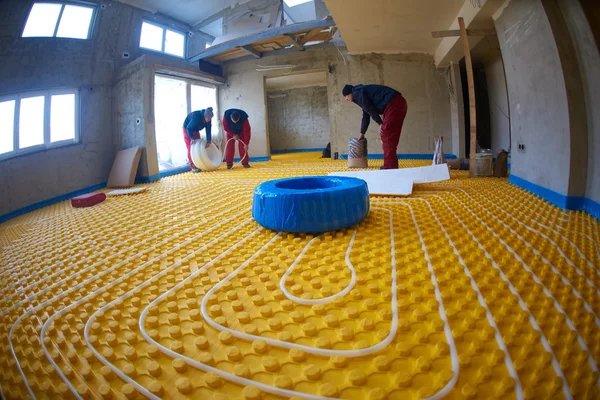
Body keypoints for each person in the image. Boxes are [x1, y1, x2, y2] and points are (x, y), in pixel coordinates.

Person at [342, 84, 408, 169]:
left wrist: (380, 123)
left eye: (346, 96)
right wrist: (362, 133)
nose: (346, 99)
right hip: (398, 103)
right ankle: (392, 166)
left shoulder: (357, 93)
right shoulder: (361, 93)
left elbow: (369, 109)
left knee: (386, 134)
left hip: (393, 104)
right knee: (390, 136)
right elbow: (366, 115)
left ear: (349, 93)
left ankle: (389, 167)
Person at [182, 107, 214, 172]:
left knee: (198, 147)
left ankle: (198, 164)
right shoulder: (197, 117)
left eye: (210, 118)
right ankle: (192, 166)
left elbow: (208, 129)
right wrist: (192, 138)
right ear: (204, 116)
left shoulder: (208, 119)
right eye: (208, 118)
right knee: (191, 147)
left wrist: (209, 140)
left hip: (195, 129)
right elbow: (189, 128)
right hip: (187, 129)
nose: (209, 120)